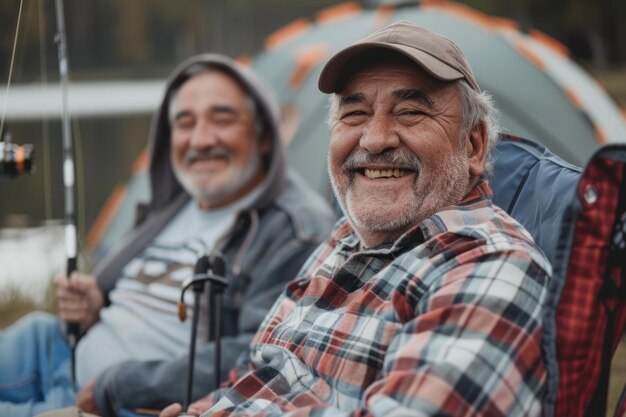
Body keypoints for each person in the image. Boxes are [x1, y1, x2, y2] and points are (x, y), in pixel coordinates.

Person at [161, 21, 552, 417]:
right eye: (355, 113)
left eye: (411, 112)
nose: (375, 138)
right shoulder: (346, 238)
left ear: (473, 145)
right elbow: (260, 373)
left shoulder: (491, 264)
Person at [0, 53, 336, 417]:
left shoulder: (295, 229)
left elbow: (263, 356)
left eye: (222, 119)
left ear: (265, 135)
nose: (201, 139)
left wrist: (122, 385)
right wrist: (96, 305)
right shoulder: (172, 203)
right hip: (54, 349)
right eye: (184, 123)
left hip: (126, 405)